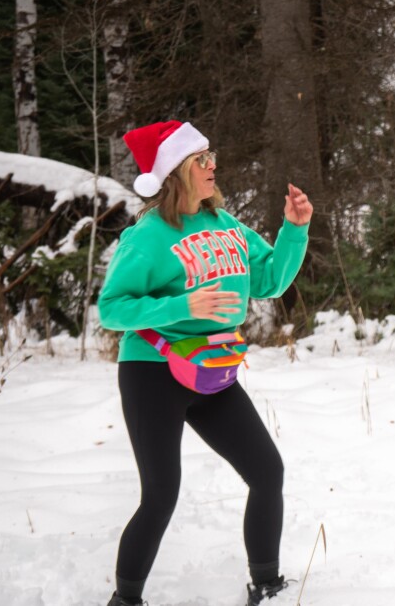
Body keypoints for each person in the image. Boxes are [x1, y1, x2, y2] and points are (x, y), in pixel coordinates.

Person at [97, 121, 312, 606]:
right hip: (152, 371)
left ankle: (267, 585)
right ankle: (125, 600)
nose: (213, 165)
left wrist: (295, 229)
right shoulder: (147, 236)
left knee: (266, 472)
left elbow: (270, 281)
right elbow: (112, 308)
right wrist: (181, 308)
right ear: (175, 172)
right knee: (160, 493)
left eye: (211, 155)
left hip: (211, 367)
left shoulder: (225, 226)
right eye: (201, 159)